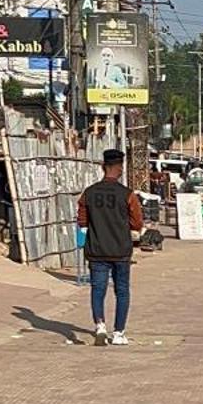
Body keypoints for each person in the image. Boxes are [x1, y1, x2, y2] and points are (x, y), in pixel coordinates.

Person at [76, 148, 143, 346]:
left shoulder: (89, 193)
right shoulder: (127, 195)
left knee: (98, 290)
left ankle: (100, 326)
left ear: (103, 167)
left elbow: (82, 221)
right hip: (121, 250)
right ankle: (119, 333)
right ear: (119, 167)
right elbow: (137, 223)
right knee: (121, 291)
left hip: (96, 250)